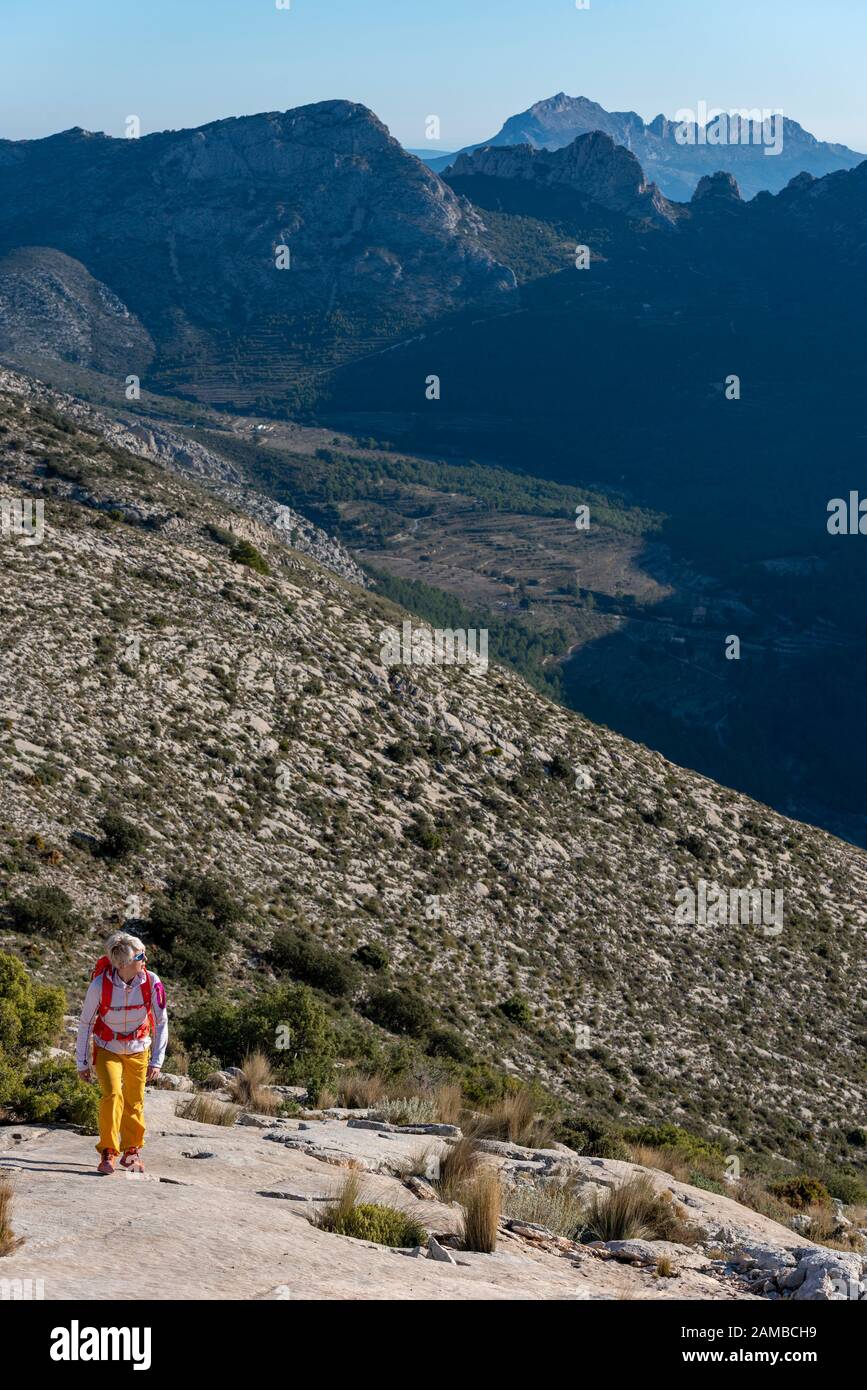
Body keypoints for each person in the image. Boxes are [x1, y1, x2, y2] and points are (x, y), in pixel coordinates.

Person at [76, 931, 168, 1175]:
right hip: (108, 1047)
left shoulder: (152, 981)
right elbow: (85, 1022)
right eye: (141, 955)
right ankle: (108, 1151)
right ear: (125, 963)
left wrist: (157, 1061)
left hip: (139, 1048)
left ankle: (132, 1150)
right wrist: (82, 1063)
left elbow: (161, 1022)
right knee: (113, 1095)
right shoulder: (100, 985)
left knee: (135, 1099)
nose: (145, 959)